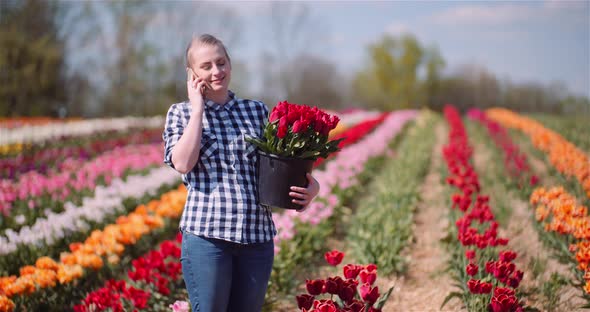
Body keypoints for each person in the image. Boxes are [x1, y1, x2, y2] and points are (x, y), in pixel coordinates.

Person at [162, 34, 320, 312]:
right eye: (206, 66)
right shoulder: (181, 114)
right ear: (192, 74)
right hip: (207, 239)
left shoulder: (255, 111)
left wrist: (311, 187)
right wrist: (198, 110)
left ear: (230, 65)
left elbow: (279, 166)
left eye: (221, 63)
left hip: (256, 239)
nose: (216, 71)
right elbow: (183, 163)